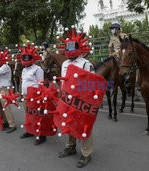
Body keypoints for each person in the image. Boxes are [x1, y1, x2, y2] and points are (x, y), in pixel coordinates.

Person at [57, 28, 95, 168]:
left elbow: (92, 85)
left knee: (84, 127)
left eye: (73, 46)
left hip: (81, 101)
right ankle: (71, 147)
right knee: (69, 123)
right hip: (68, 100)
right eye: (68, 47)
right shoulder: (65, 64)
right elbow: (63, 82)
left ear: (79, 47)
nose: (70, 49)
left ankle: (86, 153)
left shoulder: (86, 64)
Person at [18, 42, 46, 145]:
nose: (25, 59)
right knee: (28, 114)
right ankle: (30, 131)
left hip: (35, 96)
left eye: (27, 57)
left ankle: (41, 135)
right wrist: (22, 94)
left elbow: (41, 84)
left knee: (37, 115)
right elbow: (23, 82)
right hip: (26, 96)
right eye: (24, 57)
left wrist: (39, 97)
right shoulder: (24, 70)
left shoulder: (38, 69)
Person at [0, 49, 17, 133]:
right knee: (1, 108)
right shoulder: (1, 67)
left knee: (6, 108)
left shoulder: (5, 66)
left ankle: (12, 124)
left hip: (4, 90)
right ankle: (6, 122)